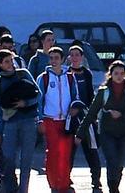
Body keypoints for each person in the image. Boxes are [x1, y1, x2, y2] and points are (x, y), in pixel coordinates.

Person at [80, 60, 125, 193]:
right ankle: (113, 188)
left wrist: (122, 115)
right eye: (116, 73)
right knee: (112, 160)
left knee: (119, 164)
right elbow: (91, 113)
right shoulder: (103, 92)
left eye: (121, 73)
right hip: (107, 133)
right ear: (110, 74)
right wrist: (80, 133)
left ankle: (115, 186)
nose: (119, 76)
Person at [0, 49, 40, 193]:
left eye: (11, 60)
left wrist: (25, 103)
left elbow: (38, 94)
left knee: (26, 159)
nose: (10, 64)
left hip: (28, 120)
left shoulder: (23, 73)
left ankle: (24, 189)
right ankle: (11, 188)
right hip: (10, 123)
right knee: (8, 159)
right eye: (6, 61)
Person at [36, 46, 80, 193]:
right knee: (53, 153)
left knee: (66, 153)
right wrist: (40, 120)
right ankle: (54, 184)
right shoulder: (44, 78)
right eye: (51, 58)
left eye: (57, 58)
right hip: (50, 120)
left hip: (66, 121)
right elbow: (39, 100)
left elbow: (76, 97)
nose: (54, 61)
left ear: (62, 60)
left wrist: (75, 109)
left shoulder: (69, 77)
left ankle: (64, 183)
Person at [67, 45, 102, 191]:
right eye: (72, 55)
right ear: (69, 58)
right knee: (69, 151)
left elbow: (90, 96)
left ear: (82, 57)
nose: (75, 58)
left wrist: (92, 115)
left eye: (77, 55)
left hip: (86, 117)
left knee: (91, 149)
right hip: (70, 117)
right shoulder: (65, 73)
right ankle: (66, 178)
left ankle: (96, 179)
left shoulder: (87, 73)